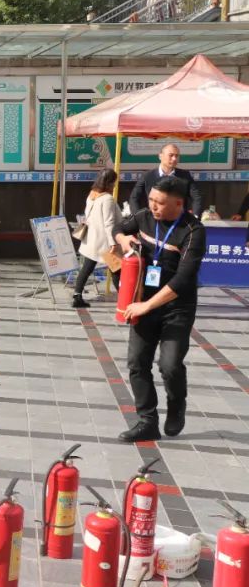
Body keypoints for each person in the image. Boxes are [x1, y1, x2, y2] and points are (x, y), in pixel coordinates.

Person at [115, 176, 206, 443]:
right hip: (143, 302)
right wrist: (123, 240)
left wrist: (146, 305)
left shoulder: (193, 231)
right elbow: (119, 227)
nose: (153, 206)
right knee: (137, 363)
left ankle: (177, 405)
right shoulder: (144, 217)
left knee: (170, 365)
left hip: (177, 307)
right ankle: (147, 421)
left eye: (160, 202)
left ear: (178, 203)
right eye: (151, 200)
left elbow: (183, 280)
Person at [72, 168, 122, 308]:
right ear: (109, 182)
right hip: (105, 242)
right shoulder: (107, 199)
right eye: (114, 182)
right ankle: (124, 300)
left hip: (92, 240)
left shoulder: (92, 195)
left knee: (86, 268)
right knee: (116, 270)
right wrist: (113, 243)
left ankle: (77, 296)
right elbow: (109, 222)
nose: (115, 185)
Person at [128, 143, 203, 215]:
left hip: (179, 220)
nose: (174, 159)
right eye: (171, 155)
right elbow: (134, 198)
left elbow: (197, 197)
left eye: (176, 156)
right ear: (160, 156)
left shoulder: (185, 175)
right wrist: (138, 218)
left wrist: (195, 216)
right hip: (154, 219)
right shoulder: (147, 176)